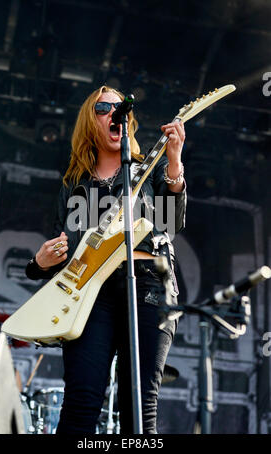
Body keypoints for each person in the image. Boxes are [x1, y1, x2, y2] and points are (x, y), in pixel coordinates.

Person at [25, 85, 187, 434]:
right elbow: (64, 256)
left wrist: (174, 164)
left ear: (128, 123)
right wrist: (39, 262)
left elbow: (171, 225)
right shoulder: (74, 183)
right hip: (89, 294)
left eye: (120, 108)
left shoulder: (151, 169)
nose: (114, 112)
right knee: (81, 400)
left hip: (148, 285)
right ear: (90, 122)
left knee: (139, 405)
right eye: (103, 107)